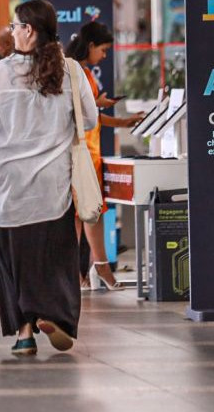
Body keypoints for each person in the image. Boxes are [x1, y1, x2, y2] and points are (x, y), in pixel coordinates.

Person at [0, 0, 95, 356]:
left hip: (5, 186)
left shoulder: (0, 72)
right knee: (54, 260)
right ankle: (54, 315)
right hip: (51, 186)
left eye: (14, 26)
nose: (11, 32)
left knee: (12, 262)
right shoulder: (71, 70)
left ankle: (24, 333)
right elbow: (89, 120)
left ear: (28, 30)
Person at [64, 21, 143, 291]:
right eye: (104, 50)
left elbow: (89, 114)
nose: (105, 56)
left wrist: (121, 121)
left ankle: (82, 273)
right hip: (85, 152)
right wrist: (99, 106)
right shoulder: (79, 72)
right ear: (91, 46)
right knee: (89, 212)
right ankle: (100, 268)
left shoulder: (74, 70)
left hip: (83, 150)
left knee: (81, 214)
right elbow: (85, 113)